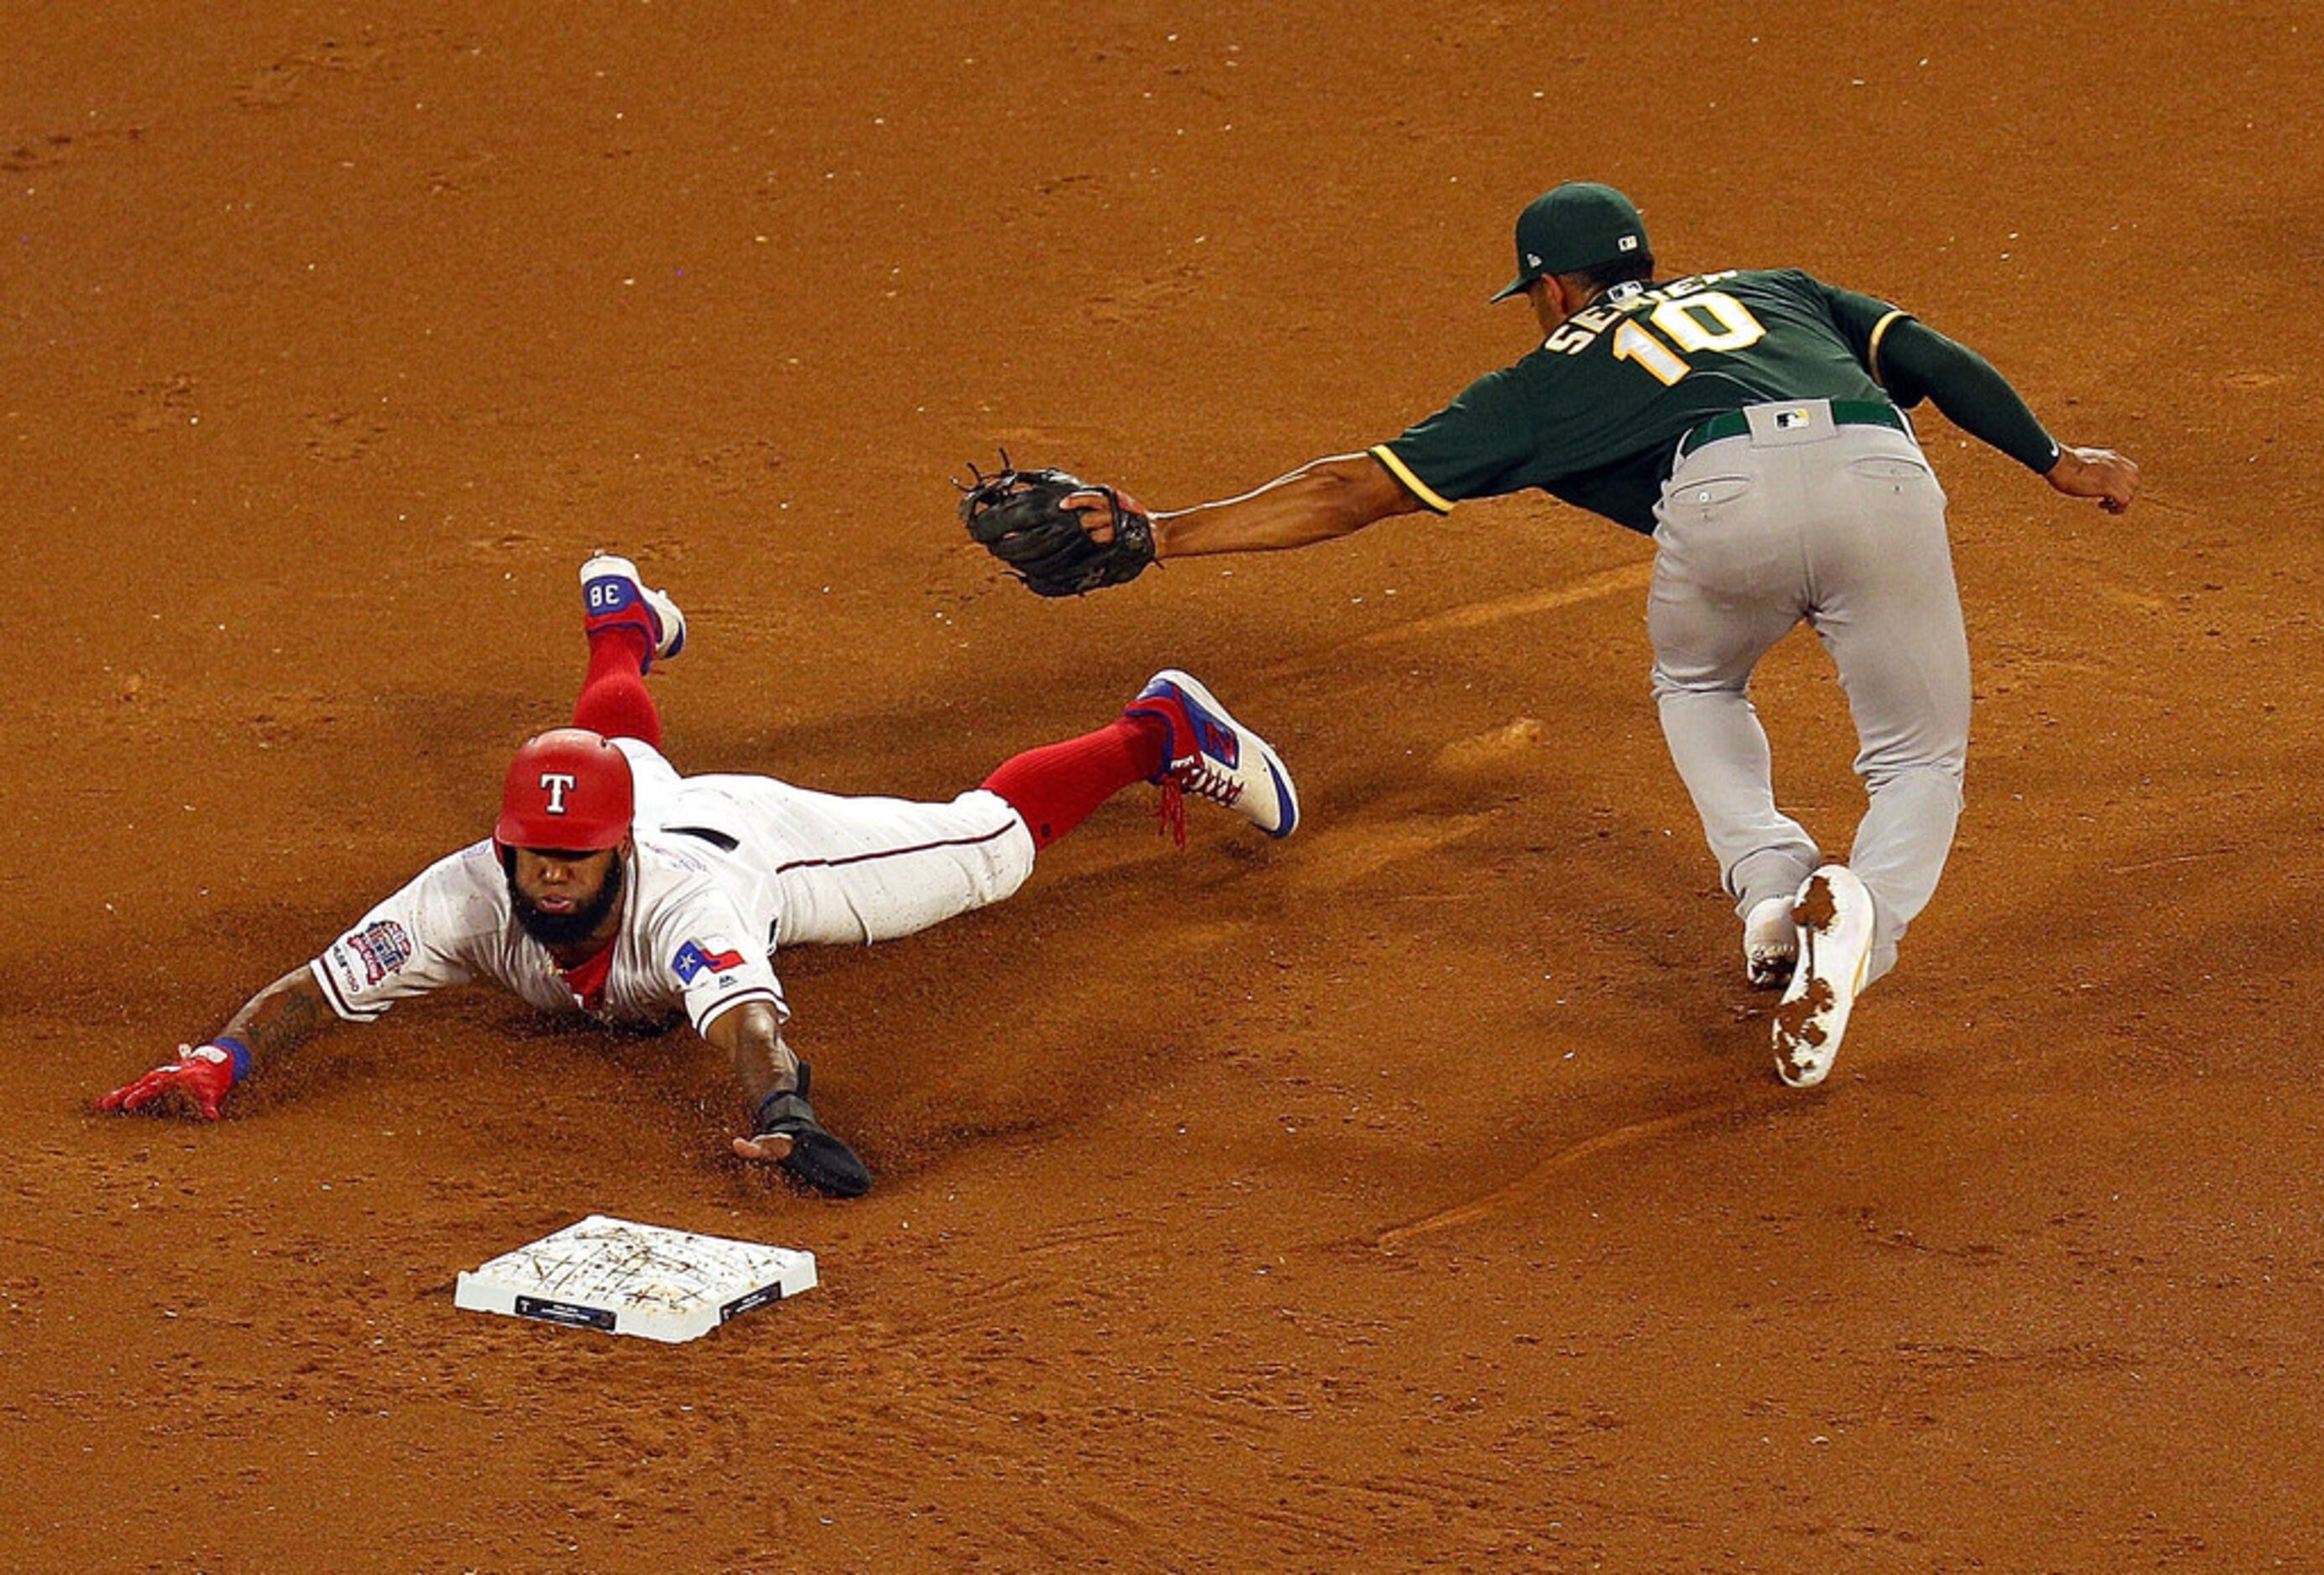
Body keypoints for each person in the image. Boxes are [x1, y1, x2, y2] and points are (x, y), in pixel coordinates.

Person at [1031, 181, 2138, 1088]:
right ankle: (1863, 927)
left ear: (1553, 288)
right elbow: (1932, 359)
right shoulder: (1781, 291)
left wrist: (1160, 535)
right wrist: (2054, 459)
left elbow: (1351, 489)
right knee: (1917, 756)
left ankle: (1770, 888)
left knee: (1700, 688)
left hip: (1721, 498)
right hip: (1879, 469)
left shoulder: (1546, 375)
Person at [97, 554, 1299, 1193]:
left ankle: (1159, 731)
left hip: (750, 843)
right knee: (617, 746)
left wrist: (785, 1109)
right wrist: (217, 1056)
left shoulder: (689, 903)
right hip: (648, 798)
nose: (551, 876)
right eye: (535, 854)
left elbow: (750, 1021)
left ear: (612, 851)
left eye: (574, 858)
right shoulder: (464, 891)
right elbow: (318, 986)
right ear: (507, 841)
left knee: (985, 849)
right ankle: (623, 629)